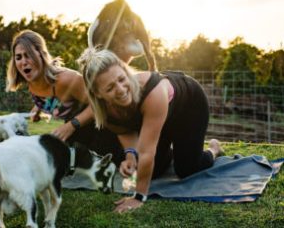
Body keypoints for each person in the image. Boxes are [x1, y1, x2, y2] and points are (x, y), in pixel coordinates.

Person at [77, 48, 223, 213]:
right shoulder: (104, 110)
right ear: (98, 93)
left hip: (189, 106)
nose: (120, 89)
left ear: (126, 71)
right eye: (110, 88)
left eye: (121, 79)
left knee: (187, 169)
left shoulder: (153, 92)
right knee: (151, 171)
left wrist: (138, 196)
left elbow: (147, 153)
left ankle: (214, 149)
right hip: (160, 118)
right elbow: (125, 131)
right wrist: (131, 157)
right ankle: (171, 150)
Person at [5, 29, 124, 166]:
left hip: (103, 128)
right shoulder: (31, 81)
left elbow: (100, 103)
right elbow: (47, 97)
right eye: (18, 57)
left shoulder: (66, 80)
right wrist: (38, 109)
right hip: (79, 134)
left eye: (28, 55)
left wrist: (71, 126)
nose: (23, 62)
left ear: (41, 54)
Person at [87, 0, 157, 71]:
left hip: (127, 44)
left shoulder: (135, 18)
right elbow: (94, 41)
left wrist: (152, 66)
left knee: (134, 48)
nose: (126, 26)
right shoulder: (107, 18)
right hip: (103, 47)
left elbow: (145, 43)